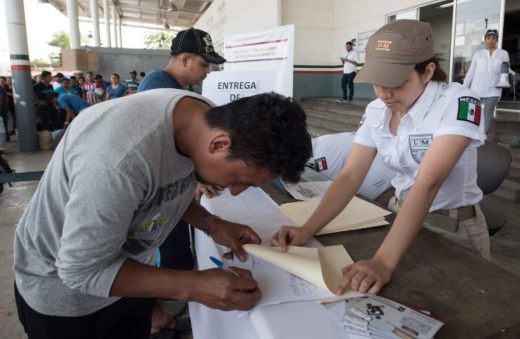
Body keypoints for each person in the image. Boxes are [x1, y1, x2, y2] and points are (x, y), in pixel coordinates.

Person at [13, 89, 312, 338]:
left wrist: (210, 222)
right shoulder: (117, 162)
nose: (234, 192)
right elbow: (80, 270)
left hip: (131, 278)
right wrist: (193, 286)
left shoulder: (203, 118)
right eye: (240, 180)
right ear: (220, 144)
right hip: (67, 300)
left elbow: (163, 189)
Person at [272, 19, 488, 295]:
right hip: (399, 216)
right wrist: (307, 229)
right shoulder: (377, 110)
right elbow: (350, 176)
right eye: (377, 82)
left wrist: (383, 261)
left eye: (396, 83)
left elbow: (428, 183)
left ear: (427, 71)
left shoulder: (458, 101)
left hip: (451, 226)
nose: (385, 93)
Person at [137, 27, 227, 336]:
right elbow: (162, 150)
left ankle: (164, 315)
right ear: (185, 58)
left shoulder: (174, 87)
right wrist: (196, 180)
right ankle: (157, 318)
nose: (207, 72)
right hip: (154, 197)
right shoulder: (161, 88)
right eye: (204, 64)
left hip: (168, 194)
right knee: (169, 254)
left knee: (177, 252)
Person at [309, 132, 395, 201]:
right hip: (386, 175)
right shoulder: (321, 143)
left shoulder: (323, 157)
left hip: (390, 188)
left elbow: (329, 192)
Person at [463, 29, 510, 134]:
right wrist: (465, 86)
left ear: (496, 40)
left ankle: (484, 135)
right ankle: (469, 133)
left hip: (494, 89)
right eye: (488, 38)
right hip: (477, 88)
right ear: (485, 39)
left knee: (488, 112)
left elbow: (505, 70)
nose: (490, 40)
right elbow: (471, 71)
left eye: (493, 38)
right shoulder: (478, 54)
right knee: (472, 111)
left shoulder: (503, 53)